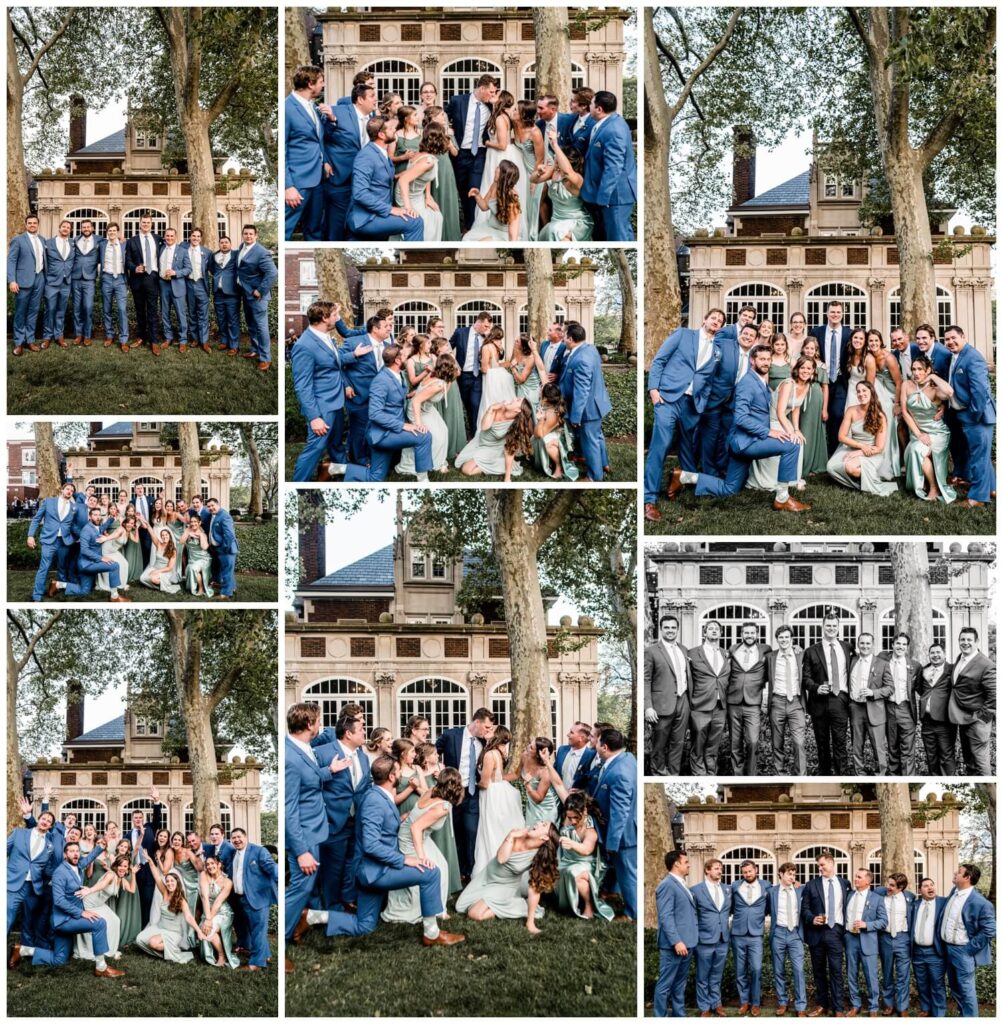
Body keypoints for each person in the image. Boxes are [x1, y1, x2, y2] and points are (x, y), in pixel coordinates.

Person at [302, 755, 465, 947]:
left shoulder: (379, 796)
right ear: (392, 777)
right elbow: (371, 845)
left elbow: (382, 830)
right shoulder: (374, 801)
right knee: (431, 873)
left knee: (364, 926)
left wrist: (402, 818)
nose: (401, 773)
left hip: (373, 870)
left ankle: (311, 917)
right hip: (374, 871)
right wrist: (405, 860)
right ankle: (431, 933)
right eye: (398, 771)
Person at [667, 344, 810, 513]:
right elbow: (741, 418)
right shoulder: (747, 383)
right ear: (752, 361)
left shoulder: (759, 381)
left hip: (743, 442)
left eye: (768, 359)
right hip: (746, 442)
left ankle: (683, 476)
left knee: (730, 488)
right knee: (792, 445)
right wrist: (769, 432)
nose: (766, 362)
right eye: (762, 359)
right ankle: (782, 499)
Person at [644, 310, 725, 516]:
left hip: (692, 405)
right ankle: (649, 498)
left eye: (720, 321)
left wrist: (702, 402)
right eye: (713, 318)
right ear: (705, 319)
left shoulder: (718, 351)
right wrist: (653, 390)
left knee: (688, 446)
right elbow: (659, 360)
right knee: (660, 446)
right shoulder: (683, 334)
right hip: (668, 399)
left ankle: (685, 483)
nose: (716, 321)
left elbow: (709, 380)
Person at [18, 841, 124, 976]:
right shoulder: (60, 873)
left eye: (77, 851)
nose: (75, 854)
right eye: (71, 851)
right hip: (62, 921)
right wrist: (82, 912)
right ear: (65, 854)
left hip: (70, 918)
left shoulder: (77, 866)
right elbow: (59, 901)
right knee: (99, 923)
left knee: (59, 959)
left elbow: (88, 859)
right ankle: (101, 967)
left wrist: (99, 848)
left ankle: (22, 950)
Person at [292, 300, 370, 481]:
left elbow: (333, 364)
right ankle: (299, 484)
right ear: (324, 318)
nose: (338, 319)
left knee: (336, 444)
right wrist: (314, 417)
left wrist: (353, 355)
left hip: (336, 402)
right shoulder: (304, 345)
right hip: (322, 407)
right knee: (316, 448)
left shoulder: (326, 337)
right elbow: (303, 385)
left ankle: (342, 475)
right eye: (335, 315)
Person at [284, 702, 331, 972]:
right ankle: (284, 943)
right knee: (300, 887)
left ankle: (300, 925)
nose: (320, 726)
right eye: (319, 722)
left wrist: (329, 771)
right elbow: (289, 809)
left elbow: (309, 779)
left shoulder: (303, 749)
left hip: (315, 829)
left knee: (307, 886)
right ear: (310, 724)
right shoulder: (291, 757)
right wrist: (301, 850)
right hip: (304, 835)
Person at [381, 767, 463, 924]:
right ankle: (431, 910)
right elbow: (415, 828)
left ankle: (439, 909)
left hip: (420, 836)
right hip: (410, 838)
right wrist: (421, 857)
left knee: (443, 866)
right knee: (429, 869)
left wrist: (407, 815)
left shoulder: (431, 790)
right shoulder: (443, 807)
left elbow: (418, 816)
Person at [344, 345, 434, 482]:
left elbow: (396, 398)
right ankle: (423, 481)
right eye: (405, 356)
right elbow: (374, 413)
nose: (407, 359)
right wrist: (403, 425)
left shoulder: (398, 374)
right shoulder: (381, 381)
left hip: (389, 431)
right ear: (397, 361)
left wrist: (415, 394)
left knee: (375, 478)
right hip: (381, 435)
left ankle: (333, 468)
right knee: (424, 436)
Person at [455, 822, 557, 930]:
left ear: (545, 837)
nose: (538, 823)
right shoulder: (518, 835)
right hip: (487, 876)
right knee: (460, 907)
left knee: (474, 914)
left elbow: (534, 888)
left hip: (505, 886)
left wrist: (530, 923)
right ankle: (506, 903)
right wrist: (511, 836)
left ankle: (507, 905)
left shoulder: (539, 856)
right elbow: (501, 858)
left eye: (544, 825)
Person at [435, 708, 495, 882]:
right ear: (477, 722)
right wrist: (439, 770)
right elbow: (433, 753)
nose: (488, 731)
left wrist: (490, 742)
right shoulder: (450, 735)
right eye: (486, 727)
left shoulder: (485, 742)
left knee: (471, 831)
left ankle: (468, 873)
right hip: (451, 794)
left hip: (472, 793)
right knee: (454, 832)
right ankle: (453, 871)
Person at [347, 117, 424, 242]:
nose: (395, 130)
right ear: (381, 135)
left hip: (377, 214)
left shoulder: (381, 152)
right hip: (366, 218)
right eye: (391, 128)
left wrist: (409, 173)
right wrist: (391, 209)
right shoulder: (366, 156)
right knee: (415, 222)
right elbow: (360, 193)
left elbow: (382, 178)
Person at [944, 324, 996, 506]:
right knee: (981, 455)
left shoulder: (972, 358)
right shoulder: (957, 356)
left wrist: (973, 416)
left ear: (963, 337)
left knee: (978, 457)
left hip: (978, 417)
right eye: (947, 339)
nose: (950, 342)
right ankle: (992, 489)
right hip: (969, 416)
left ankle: (977, 498)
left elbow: (980, 393)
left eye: (953, 338)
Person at [745, 354, 811, 493]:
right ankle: (771, 480)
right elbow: (780, 412)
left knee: (798, 440)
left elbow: (796, 408)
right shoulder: (788, 384)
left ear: (813, 371)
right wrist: (790, 432)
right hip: (771, 419)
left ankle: (791, 480)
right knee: (787, 440)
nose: (806, 371)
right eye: (803, 368)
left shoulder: (806, 386)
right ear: (797, 369)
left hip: (782, 420)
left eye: (809, 368)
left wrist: (797, 429)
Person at [323, 82, 378, 241]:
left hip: (363, 181)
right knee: (336, 225)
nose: (376, 100)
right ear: (360, 100)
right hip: (339, 176)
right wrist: (325, 162)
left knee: (356, 223)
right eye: (372, 96)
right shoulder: (337, 112)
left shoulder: (373, 118)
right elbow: (321, 138)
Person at [285, 65, 333, 240]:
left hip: (318, 180)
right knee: (286, 230)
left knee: (314, 231)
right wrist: (288, 186)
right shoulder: (287, 108)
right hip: (298, 183)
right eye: (321, 81)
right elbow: (282, 150)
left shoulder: (313, 107)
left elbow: (317, 139)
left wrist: (325, 161)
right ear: (310, 83)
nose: (324, 85)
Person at [827, 380, 899, 497]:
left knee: (851, 468)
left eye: (864, 390)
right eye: (858, 392)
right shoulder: (851, 410)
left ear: (872, 392)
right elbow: (841, 437)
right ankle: (862, 482)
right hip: (853, 446)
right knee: (830, 467)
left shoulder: (880, 416)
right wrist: (859, 446)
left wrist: (861, 452)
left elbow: (879, 448)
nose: (861, 394)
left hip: (871, 452)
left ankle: (864, 483)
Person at [579, 91, 636, 241]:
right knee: (620, 234)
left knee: (618, 237)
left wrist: (603, 198)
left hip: (615, 196)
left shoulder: (614, 130)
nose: (588, 107)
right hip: (610, 195)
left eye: (591, 104)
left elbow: (613, 167)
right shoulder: (611, 122)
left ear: (599, 109)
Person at [941, 863, 996, 1016]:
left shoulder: (981, 903)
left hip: (963, 951)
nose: (954, 873)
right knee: (955, 988)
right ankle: (963, 1015)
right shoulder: (954, 892)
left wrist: (968, 950)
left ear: (967, 877)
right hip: (947, 948)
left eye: (959, 872)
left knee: (966, 990)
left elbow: (990, 929)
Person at [900, 353, 956, 502]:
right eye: (914, 369)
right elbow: (905, 412)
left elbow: (950, 392)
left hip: (937, 432)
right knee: (915, 449)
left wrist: (932, 378)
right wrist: (919, 434)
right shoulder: (906, 385)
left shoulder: (934, 388)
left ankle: (934, 488)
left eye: (920, 369)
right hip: (918, 432)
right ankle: (927, 482)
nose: (916, 373)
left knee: (917, 450)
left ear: (927, 370)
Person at [593, 728, 637, 920]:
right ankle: (615, 895)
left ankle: (632, 914)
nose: (593, 745)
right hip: (623, 831)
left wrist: (612, 843)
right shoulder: (627, 758)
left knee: (628, 875)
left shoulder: (620, 772)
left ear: (604, 747)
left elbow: (620, 812)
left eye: (597, 742)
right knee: (624, 872)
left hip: (624, 834)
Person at [445, 73, 498, 230]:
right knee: (462, 190)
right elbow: (442, 116)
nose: (493, 95)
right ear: (482, 88)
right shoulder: (457, 101)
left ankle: (473, 226)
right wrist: (448, 130)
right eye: (491, 92)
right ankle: (466, 224)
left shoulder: (491, 105)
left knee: (474, 189)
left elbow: (501, 119)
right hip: (461, 153)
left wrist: (495, 104)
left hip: (480, 153)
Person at [801, 612, 852, 775]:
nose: (831, 629)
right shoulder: (811, 651)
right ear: (822, 627)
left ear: (838, 628)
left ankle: (841, 774)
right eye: (828, 626)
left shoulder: (847, 647)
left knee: (840, 742)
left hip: (840, 699)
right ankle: (824, 774)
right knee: (822, 743)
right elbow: (805, 678)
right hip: (819, 702)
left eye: (834, 626)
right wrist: (816, 687)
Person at [801, 850, 851, 1017]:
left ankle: (838, 1008)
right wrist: (812, 918)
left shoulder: (845, 884)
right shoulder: (811, 885)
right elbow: (805, 909)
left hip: (836, 932)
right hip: (816, 933)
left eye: (822, 865)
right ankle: (822, 1004)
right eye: (818, 866)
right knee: (819, 971)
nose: (820, 868)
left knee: (836, 971)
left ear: (831, 863)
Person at [561, 321, 612, 482]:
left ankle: (594, 477)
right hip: (597, 403)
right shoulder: (590, 348)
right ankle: (603, 464)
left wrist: (576, 416)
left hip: (587, 409)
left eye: (564, 336)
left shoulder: (581, 358)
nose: (562, 339)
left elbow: (581, 391)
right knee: (596, 438)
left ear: (570, 339)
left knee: (590, 442)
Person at [6, 805, 56, 966]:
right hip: (12, 884)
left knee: (28, 922)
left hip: (33, 888)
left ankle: (22, 951)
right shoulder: (19, 833)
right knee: (7, 919)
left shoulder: (50, 846)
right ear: (38, 820)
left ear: (50, 826)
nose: (45, 822)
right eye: (44, 819)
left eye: (49, 821)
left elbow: (47, 868)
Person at [472, 726, 525, 877]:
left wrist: (472, 785)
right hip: (499, 793)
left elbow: (485, 783)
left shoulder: (489, 755)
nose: (488, 729)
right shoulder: (497, 753)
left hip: (491, 795)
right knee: (497, 830)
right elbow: (501, 776)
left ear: (497, 736)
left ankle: (491, 869)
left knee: (489, 831)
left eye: (492, 729)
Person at [644, 614, 690, 776]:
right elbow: (645, 680)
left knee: (678, 743)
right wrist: (648, 707)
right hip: (661, 705)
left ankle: (674, 774)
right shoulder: (651, 651)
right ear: (661, 629)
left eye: (673, 628)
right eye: (667, 628)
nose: (670, 631)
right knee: (659, 745)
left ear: (677, 629)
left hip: (683, 701)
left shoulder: (683, 650)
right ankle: (659, 774)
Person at [135, 859, 206, 962]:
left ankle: (173, 950)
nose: (169, 883)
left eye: (172, 881)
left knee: (153, 943)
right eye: (167, 881)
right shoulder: (165, 893)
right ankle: (167, 952)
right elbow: (156, 876)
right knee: (139, 940)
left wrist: (199, 931)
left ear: (177, 882)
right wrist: (150, 860)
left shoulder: (181, 900)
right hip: (159, 928)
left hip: (173, 932)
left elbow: (189, 917)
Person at [654, 850, 698, 1018]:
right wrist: (676, 941)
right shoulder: (667, 885)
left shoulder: (681, 884)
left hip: (688, 943)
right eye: (686, 862)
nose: (689, 864)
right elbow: (666, 917)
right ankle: (660, 1017)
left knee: (680, 984)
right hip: (675, 945)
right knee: (665, 984)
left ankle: (679, 1016)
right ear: (676, 864)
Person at [947, 627, 995, 775]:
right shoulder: (960, 659)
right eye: (962, 639)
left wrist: (981, 718)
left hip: (977, 722)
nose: (965, 643)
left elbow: (995, 695)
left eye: (969, 640)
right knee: (970, 762)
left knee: (981, 764)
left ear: (976, 642)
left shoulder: (986, 665)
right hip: (962, 719)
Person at [228, 828, 277, 972]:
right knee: (255, 929)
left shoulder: (259, 851)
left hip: (258, 898)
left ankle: (256, 963)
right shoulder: (234, 854)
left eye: (239, 837)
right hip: (242, 898)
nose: (237, 840)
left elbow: (272, 868)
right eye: (234, 838)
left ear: (246, 837)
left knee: (258, 930)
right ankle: (266, 955)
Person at [726, 622, 771, 775]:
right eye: (746, 632)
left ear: (757, 634)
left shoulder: (765, 650)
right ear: (742, 634)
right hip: (733, 701)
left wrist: (797, 648)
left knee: (753, 741)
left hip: (753, 702)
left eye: (752, 633)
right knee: (735, 743)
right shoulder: (733, 649)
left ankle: (751, 774)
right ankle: (737, 774)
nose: (749, 635)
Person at [686, 620, 729, 776]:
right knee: (697, 744)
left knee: (713, 746)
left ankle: (711, 774)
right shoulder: (691, 653)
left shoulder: (725, 653)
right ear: (704, 633)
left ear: (721, 633)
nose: (714, 631)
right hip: (700, 705)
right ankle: (699, 774)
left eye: (717, 629)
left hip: (720, 707)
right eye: (710, 628)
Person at [809, 300, 853, 452]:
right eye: (832, 312)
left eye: (838, 312)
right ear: (827, 313)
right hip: (821, 380)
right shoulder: (816, 332)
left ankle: (833, 450)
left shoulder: (849, 333)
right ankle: (818, 450)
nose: (835, 315)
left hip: (840, 380)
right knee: (818, 414)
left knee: (836, 413)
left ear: (843, 314)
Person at [843, 868, 888, 1017]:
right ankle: (855, 1005)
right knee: (851, 974)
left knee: (871, 976)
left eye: (859, 877)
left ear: (868, 881)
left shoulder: (876, 898)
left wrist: (866, 925)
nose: (855, 879)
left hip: (868, 940)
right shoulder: (849, 895)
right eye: (855, 876)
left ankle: (873, 1006)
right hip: (850, 939)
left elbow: (883, 921)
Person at [848, 632, 894, 774]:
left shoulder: (882, 664)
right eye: (862, 643)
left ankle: (880, 774)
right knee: (857, 745)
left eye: (868, 643)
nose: (865, 646)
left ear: (873, 645)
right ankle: (859, 773)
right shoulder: (852, 661)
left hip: (875, 709)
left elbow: (890, 688)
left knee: (878, 748)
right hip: (856, 708)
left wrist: (873, 693)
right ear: (858, 644)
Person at [536, 127, 593, 241]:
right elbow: (534, 180)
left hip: (576, 223)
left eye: (559, 162)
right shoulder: (554, 175)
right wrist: (539, 172)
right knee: (552, 230)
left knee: (559, 234)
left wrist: (555, 145)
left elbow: (567, 171)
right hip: (555, 223)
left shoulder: (577, 180)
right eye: (556, 162)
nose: (557, 165)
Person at [690, 857, 731, 1018]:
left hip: (723, 939)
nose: (720, 871)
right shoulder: (695, 890)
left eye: (721, 868)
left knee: (717, 974)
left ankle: (717, 1004)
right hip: (704, 939)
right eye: (716, 868)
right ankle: (704, 1007)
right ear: (707, 870)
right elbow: (692, 915)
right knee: (703, 975)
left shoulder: (727, 889)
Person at [455, 397, 533, 480]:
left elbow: (510, 450)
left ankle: (498, 464)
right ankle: (490, 462)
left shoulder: (515, 424)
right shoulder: (498, 408)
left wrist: (507, 478)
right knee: (459, 462)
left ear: (518, 410)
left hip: (493, 448)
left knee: (466, 470)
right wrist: (491, 409)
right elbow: (484, 427)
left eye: (517, 400)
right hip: (479, 442)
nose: (513, 399)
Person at [26, 480, 79, 602]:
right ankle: (37, 595)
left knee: (62, 567)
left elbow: (74, 525)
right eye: (68, 489)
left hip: (64, 542)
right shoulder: (49, 502)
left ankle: (57, 588)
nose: (69, 491)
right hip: (49, 540)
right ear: (62, 490)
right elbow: (36, 519)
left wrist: (77, 537)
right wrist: (30, 535)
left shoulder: (73, 507)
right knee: (44, 567)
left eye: (72, 491)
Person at [877, 633, 921, 775]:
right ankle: (895, 776)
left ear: (907, 647)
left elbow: (921, 688)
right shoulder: (882, 660)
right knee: (892, 746)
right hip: (888, 708)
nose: (901, 647)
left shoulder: (915, 666)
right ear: (892, 645)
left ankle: (908, 777)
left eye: (904, 644)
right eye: (898, 643)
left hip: (906, 708)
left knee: (908, 748)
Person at [236, 223, 277, 370]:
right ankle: (254, 350)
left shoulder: (261, 252)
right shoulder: (242, 247)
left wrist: (260, 290)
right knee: (251, 324)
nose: (248, 236)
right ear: (243, 234)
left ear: (256, 236)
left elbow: (272, 273)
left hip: (258, 296)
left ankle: (265, 358)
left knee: (261, 326)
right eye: (245, 233)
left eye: (250, 234)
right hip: (246, 293)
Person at [767, 624, 807, 775]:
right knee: (777, 743)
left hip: (796, 702)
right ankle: (780, 774)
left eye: (786, 637)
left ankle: (801, 775)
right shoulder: (770, 657)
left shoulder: (801, 655)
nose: (784, 640)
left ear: (792, 639)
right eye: (781, 637)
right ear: (777, 639)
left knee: (799, 742)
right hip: (777, 702)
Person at [769, 861, 807, 1017]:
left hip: (795, 934)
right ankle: (782, 1002)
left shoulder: (801, 890)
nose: (792, 876)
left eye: (794, 874)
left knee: (798, 970)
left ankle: (801, 1006)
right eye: (789, 874)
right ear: (780, 874)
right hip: (778, 932)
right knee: (779, 970)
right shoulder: (771, 892)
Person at [873, 872, 914, 1016]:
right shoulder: (879, 893)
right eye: (887, 883)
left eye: (892, 885)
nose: (887, 887)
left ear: (901, 887)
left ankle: (902, 1007)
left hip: (903, 939)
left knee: (903, 975)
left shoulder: (909, 897)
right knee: (887, 973)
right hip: (885, 938)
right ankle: (888, 1004)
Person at [8, 214, 47, 355]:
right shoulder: (18, 240)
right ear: (26, 225)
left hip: (39, 279)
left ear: (38, 225)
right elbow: (11, 261)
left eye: (34, 223)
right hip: (23, 281)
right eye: (29, 223)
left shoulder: (42, 240)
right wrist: (12, 280)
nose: (32, 225)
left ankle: (30, 340)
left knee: (33, 312)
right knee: (20, 313)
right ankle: (19, 342)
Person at [916, 641, 957, 774]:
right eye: (932, 653)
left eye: (938, 652)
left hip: (945, 721)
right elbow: (920, 688)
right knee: (931, 756)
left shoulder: (952, 669)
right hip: (927, 722)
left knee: (946, 756)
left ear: (944, 654)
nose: (935, 655)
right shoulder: (924, 670)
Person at [911, 876, 948, 1018]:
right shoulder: (914, 905)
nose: (930, 888)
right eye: (926, 886)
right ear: (920, 890)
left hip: (935, 952)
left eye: (932, 885)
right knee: (922, 983)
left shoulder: (944, 903)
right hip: (917, 952)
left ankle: (939, 1013)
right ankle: (925, 1009)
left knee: (937, 984)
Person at [125, 213, 163, 350]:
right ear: (140, 223)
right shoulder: (132, 241)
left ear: (151, 224)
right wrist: (134, 268)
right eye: (143, 222)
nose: (146, 224)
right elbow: (127, 260)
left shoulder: (158, 239)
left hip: (152, 278)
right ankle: (141, 337)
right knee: (140, 311)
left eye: (148, 222)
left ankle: (154, 340)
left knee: (153, 310)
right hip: (137, 279)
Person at [463, 158, 522, 242]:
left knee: (482, 243)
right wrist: (477, 195)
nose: (496, 169)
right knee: (466, 239)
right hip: (489, 226)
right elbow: (484, 206)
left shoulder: (512, 200)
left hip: (504, 234)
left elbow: (513, 234)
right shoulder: (494, 185)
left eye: (498, 168)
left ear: (503, 176)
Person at [797, 335, 831, 476]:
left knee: (814, 430)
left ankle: (815, 464)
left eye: (812, 348)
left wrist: (824, 409)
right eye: (807, 348)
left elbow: (825, 387)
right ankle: (801, 462)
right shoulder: (799, 363)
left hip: (816, 398)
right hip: (801, 395)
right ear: (803, 349)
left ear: (816, 350)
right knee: (802, 428)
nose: (810, 350)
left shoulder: (821, 365)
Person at [155, 227, 191, 353]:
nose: (169, 238)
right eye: (167, 236)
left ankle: (182, 340)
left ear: (176, 237)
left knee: (181, 314)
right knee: (165, 313)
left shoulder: (183, 251)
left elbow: (188, 269)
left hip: (177, 285)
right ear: (164, 237)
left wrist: (176, 272)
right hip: (163, 284)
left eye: (172, 236)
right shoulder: (161, 249)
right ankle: (168, 337)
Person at [533, 382, 578, 480]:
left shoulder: (552, 414)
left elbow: (539, 435)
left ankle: (559, 467)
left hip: (564, 440)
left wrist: (540, 420)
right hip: (555, 433)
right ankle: (551, 463)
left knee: (545, 442)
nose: (539, 390)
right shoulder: (549, 407)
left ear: (545, 399)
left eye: (541, 389)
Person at [42, 219, 76, 347]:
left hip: (66, 282)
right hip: (51, 282)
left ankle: (59, 336)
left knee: (61, 311)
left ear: (70, 230)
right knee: (50, 309)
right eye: (64, 226)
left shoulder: (73, 243)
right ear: (59, 228)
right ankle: (47, 337)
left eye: (68, 227)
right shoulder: (48, 242)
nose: (66, 229)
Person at [97, 223, 129, 350]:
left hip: (120, 279)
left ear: (118, 232)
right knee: (107, 309)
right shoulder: (102, 245)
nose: (112, 232)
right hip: (106, 278)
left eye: (114, 230)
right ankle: (109, 335)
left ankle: (123, 339)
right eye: (109, 230)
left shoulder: (124, 244)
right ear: (107, 232)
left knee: (122, 309)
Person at [180, 227, 212, 353]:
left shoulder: (207, 252)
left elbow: (211, 268)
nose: (196, 238)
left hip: (201, 285)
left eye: (198, 236)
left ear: (201, 238)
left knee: (203, 314)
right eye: (193, 236)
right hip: (188, 284)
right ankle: (194, 339)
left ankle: (204, 341)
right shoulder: (183, 249)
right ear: (190, 237)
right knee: (192, 313)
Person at [207, 235, 241, 355]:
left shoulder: (236, 254)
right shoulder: (214, 256)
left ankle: (234, 345)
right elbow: (211, 268)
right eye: (222, 242)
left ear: (230, 244)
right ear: (219, 244)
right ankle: (224, 341)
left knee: (232, 320)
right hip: (218, 293)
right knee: (221, 319)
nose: (224, 244)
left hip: (232, 293)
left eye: (226, 242)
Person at [69, 218, 100, 346]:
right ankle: (78, 334)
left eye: (88, 227)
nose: (86, 229)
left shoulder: (99, 240)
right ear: (81, 229)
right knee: (76, 308)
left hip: (89, 278)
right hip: (75, 277)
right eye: (84, 227)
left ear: (92, 228)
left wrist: (122, 240)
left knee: (87, 307)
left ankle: (87, 335)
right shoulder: (75, 240)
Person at [206, 497, 239, 599]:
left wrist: (224, 548)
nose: (211, 508)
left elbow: (229, 535)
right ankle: (232, 587)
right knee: (226, 570)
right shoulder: (214, 515)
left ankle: (225, 594)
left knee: (226, 571)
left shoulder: (224, 516)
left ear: (218, 504)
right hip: (218, 548)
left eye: (212, 505)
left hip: (227, 549)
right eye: (209, 506)